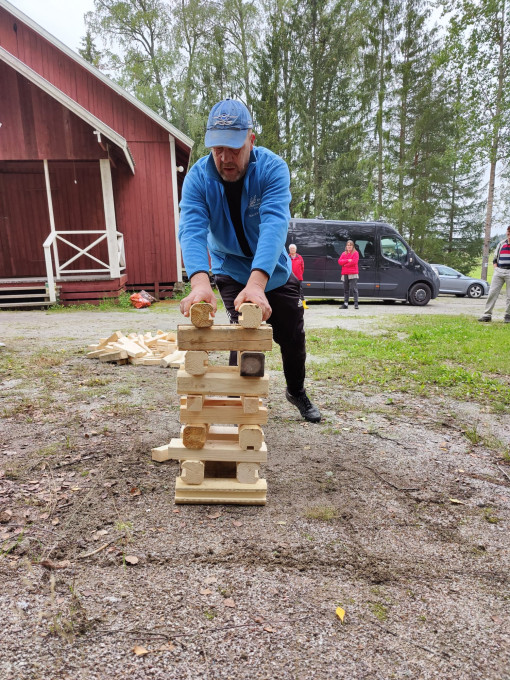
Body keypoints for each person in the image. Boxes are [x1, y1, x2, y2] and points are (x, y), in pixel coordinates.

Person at [178, 98, 321, 422]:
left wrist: (257, 284)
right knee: (245, 333)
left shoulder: (272, 169)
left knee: (292, 337)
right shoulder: (198, 178)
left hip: (274, 270)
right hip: (230, 267)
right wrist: (199, 282)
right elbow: (192, 229)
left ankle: (296, 391)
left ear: (251, 140)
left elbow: (274, 225)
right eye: (218, 149)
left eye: (234, 148)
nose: (225, 158)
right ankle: (239, 399)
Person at [478, 225, 510, 323]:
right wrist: (496, 268)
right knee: (492, 293)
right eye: (508, 233)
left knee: (509, 296)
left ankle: (508, 316)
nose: (509, 235)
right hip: (499, 271)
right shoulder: (501, 244)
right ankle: (487, 315)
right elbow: (495, 258)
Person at [338, 240, 359, 309]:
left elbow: (354, 262)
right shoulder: (344, 253)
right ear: (346, 246)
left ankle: (356, 304)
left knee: (354, 289)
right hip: (345, 273)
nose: (349, 246)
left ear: (353, 246)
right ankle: (345, 304)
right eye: (348, 245)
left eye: (350, 245)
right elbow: (339, 261)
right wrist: (347, 260)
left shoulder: (355, 253)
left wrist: (345, 265)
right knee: (346, 289)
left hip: (353, 273)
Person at [288, 243, 308, 308]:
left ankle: (303, 303)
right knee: (289, 290)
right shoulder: (287, 257)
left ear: (296, 249)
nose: (292, 250)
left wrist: (299, 274)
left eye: (293, 248)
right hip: (289, 277)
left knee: (300, 290)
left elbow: (302, 267)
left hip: (298, 277)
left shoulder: (299, 257)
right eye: (291, 249)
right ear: (289, 250)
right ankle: (290, 303)